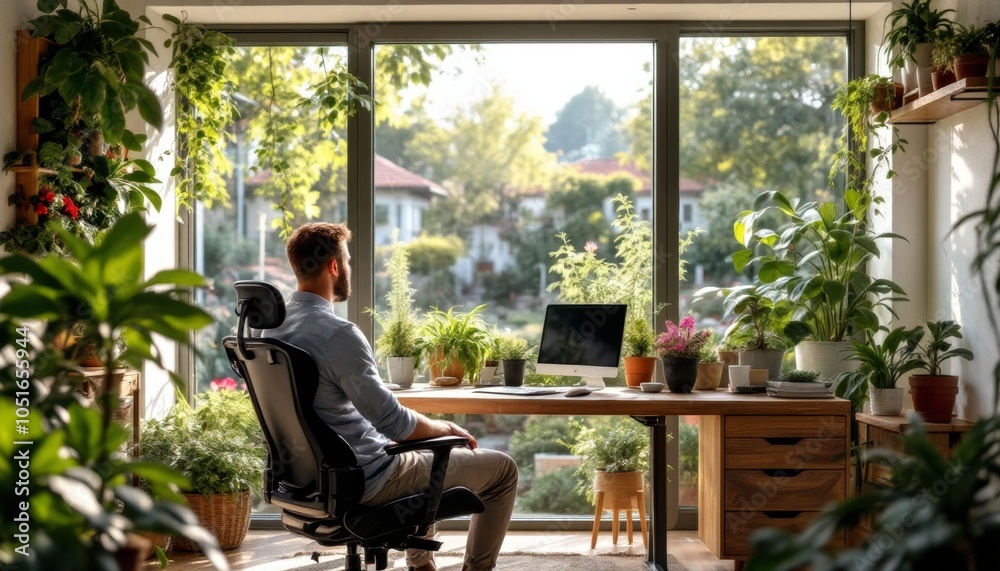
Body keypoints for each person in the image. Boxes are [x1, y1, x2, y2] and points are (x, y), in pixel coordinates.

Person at [266, 222, 517, 571]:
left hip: (308, 481)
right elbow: (394, 424)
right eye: (348, 261)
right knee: (503, 470)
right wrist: (443, 428)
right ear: (334, 266)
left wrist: (426, 430)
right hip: (370, 478)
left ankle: (421, 565)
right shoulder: (338, 335)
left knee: (426, 450)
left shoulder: (269, 333)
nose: (349, 268)